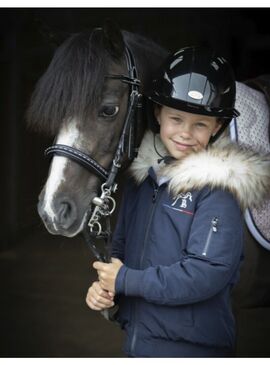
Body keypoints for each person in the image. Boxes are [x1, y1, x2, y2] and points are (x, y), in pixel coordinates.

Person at [85, 46, 270, 357]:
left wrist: (126, 280)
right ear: (158, 114)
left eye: (200, 124)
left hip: (192, 350)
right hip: (138, 343)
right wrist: (106, 289)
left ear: (218, 128)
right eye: (176, 118)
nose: (186, 133)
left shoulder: (218, 192)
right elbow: (119, 255)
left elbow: (206, 273)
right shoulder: (140, 183)